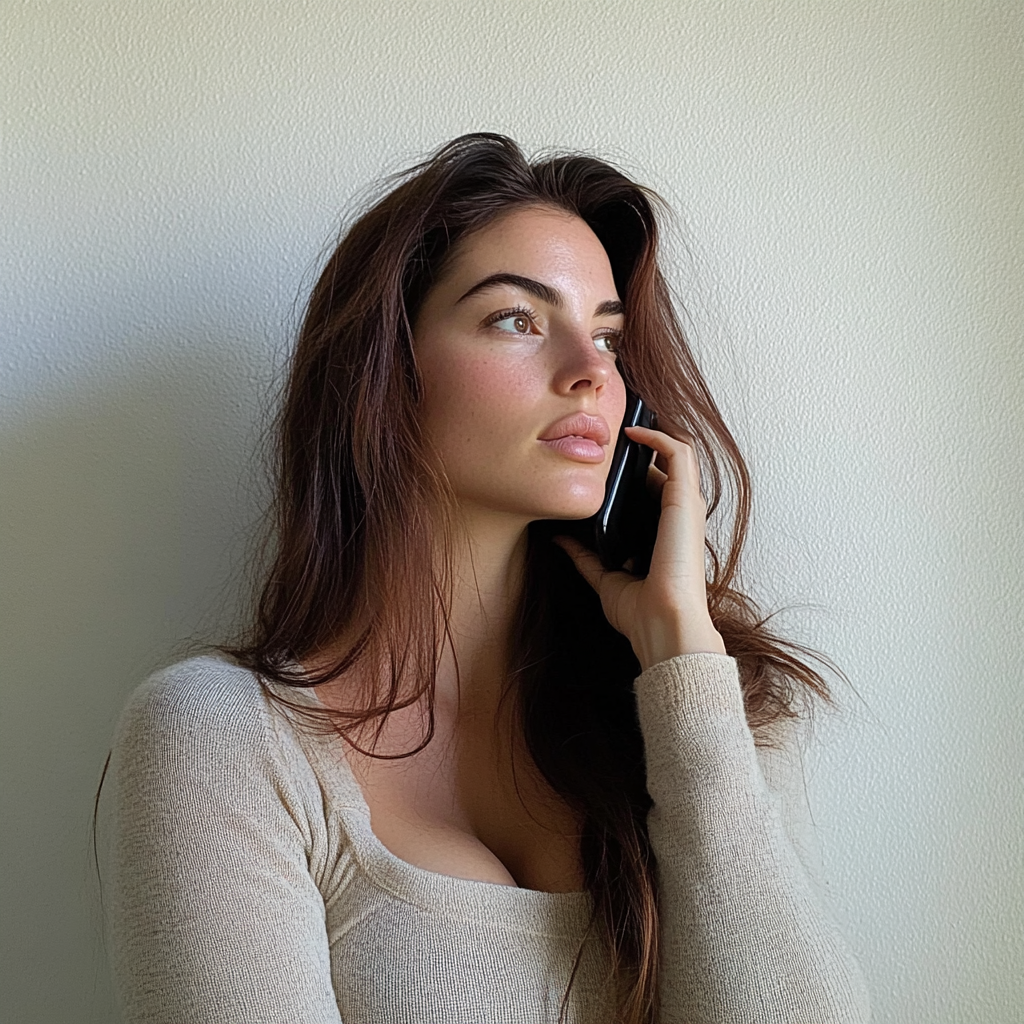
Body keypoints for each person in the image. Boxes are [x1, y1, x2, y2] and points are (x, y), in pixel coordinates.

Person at [99, 133, 871, 1024]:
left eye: (609, 338)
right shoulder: (221, 742)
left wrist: (683, 660)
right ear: (386, 373)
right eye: (518, 319)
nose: (591, 374)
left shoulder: (706, 705)